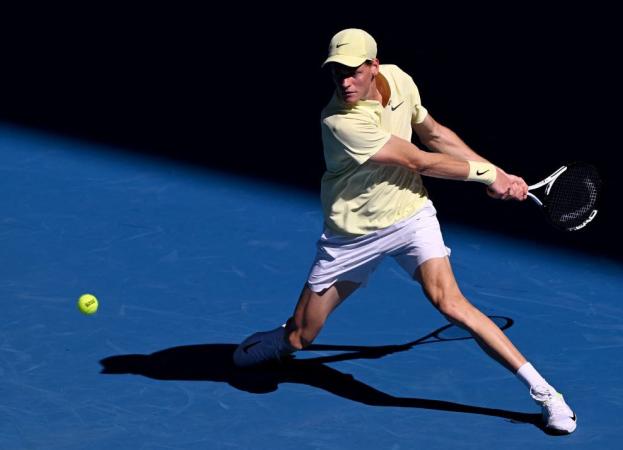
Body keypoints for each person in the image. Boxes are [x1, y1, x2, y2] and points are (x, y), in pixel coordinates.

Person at [233, 28, 577, 435]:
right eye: (336, 73)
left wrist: (497, 173)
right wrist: (487, 176)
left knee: (451, 303)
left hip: (410, 215)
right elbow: (417, 160)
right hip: (353, 234)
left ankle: (546, 395)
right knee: (301, 338)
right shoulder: (339, 121)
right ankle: (282, 338)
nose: (344, 82)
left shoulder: (398, 79)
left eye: (353, 72)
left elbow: (433, 134)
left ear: (374, 66)